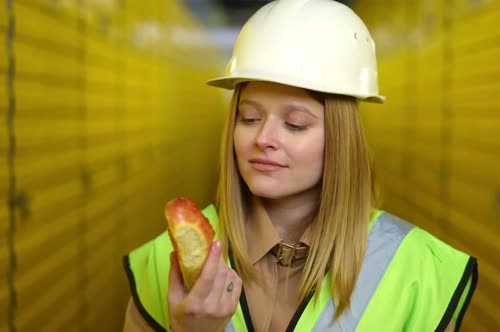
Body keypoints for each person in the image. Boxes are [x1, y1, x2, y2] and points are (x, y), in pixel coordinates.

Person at [122, 0, 478, 331]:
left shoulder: (420, 273)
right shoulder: (161, 262)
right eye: (248, 118)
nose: (264, 138)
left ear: (342, 140)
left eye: (295, 124)